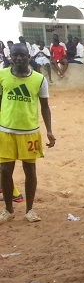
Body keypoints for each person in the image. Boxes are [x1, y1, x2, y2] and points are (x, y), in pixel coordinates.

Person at [0, 43, 56, 223]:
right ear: (10, 57)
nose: (18, 58)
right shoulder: (2, 75)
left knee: (30, 170)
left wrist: (49, 131)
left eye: (22, 55)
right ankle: (8, 210)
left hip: (29, 132)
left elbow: (45, 107)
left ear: (28, 57)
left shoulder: (39, 79)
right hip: (5, 130)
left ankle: (30, 210)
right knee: (5, 171)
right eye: (15, 55)